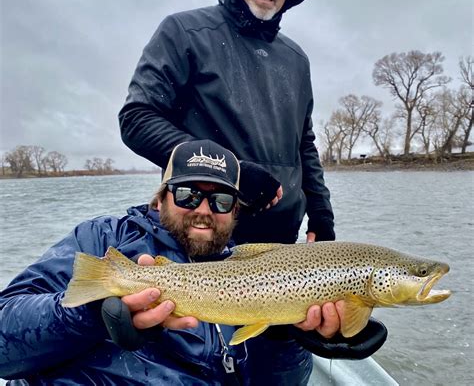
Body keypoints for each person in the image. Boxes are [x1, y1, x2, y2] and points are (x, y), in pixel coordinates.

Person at [118, 0, 336, 382]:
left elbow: (306, 145)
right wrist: (231, 171)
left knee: (281, 372)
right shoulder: (184, 33)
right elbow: (136, 119)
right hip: (201, 254)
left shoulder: (296, 60)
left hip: (283, 262)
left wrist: (322, 218)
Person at [0, 140, 345, 385]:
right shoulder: (106, 240)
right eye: (188, 195)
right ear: (161, 196)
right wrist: (92, 315)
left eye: (221, 200)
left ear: (235, 211)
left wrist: (287, 335)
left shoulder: (258, 273)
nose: (203, 210)